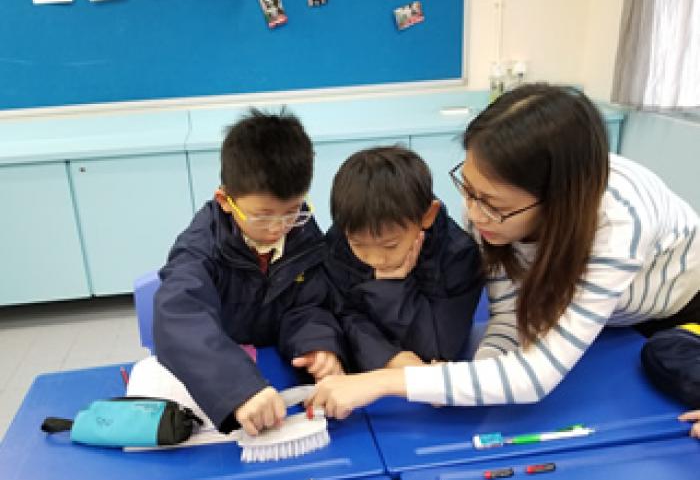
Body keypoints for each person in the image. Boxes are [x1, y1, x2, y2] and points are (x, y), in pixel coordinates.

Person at [308, 83, 700, 420]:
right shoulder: (494, 209)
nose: (473, 213)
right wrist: (470, 382)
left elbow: (534, 377)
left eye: (491, 203)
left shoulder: (618, 225)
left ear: (555, 201)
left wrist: (387, 381)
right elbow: (511, 319)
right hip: (607, 313)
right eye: (470, 189)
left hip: (676, 309)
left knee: (669, 364)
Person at [154, 109, 345, 436]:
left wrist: (317, 345)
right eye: (262, 216)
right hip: (226, 378)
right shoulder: (202, 247)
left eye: (291, 212)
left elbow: (309, 303)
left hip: (281, 370)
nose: (277, 227)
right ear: (225, 201)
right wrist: (237, 387)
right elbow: (180, 315)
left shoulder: (303, 235)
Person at [324, 146, 483, 373]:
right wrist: (387, 357)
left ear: (427, 216)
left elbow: (438, 347)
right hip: (372, 372)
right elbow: (340, 314)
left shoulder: (458, 255)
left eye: (390, 245)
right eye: (359, 244)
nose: (376, 258)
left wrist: (392, 286)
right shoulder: (341, 240)